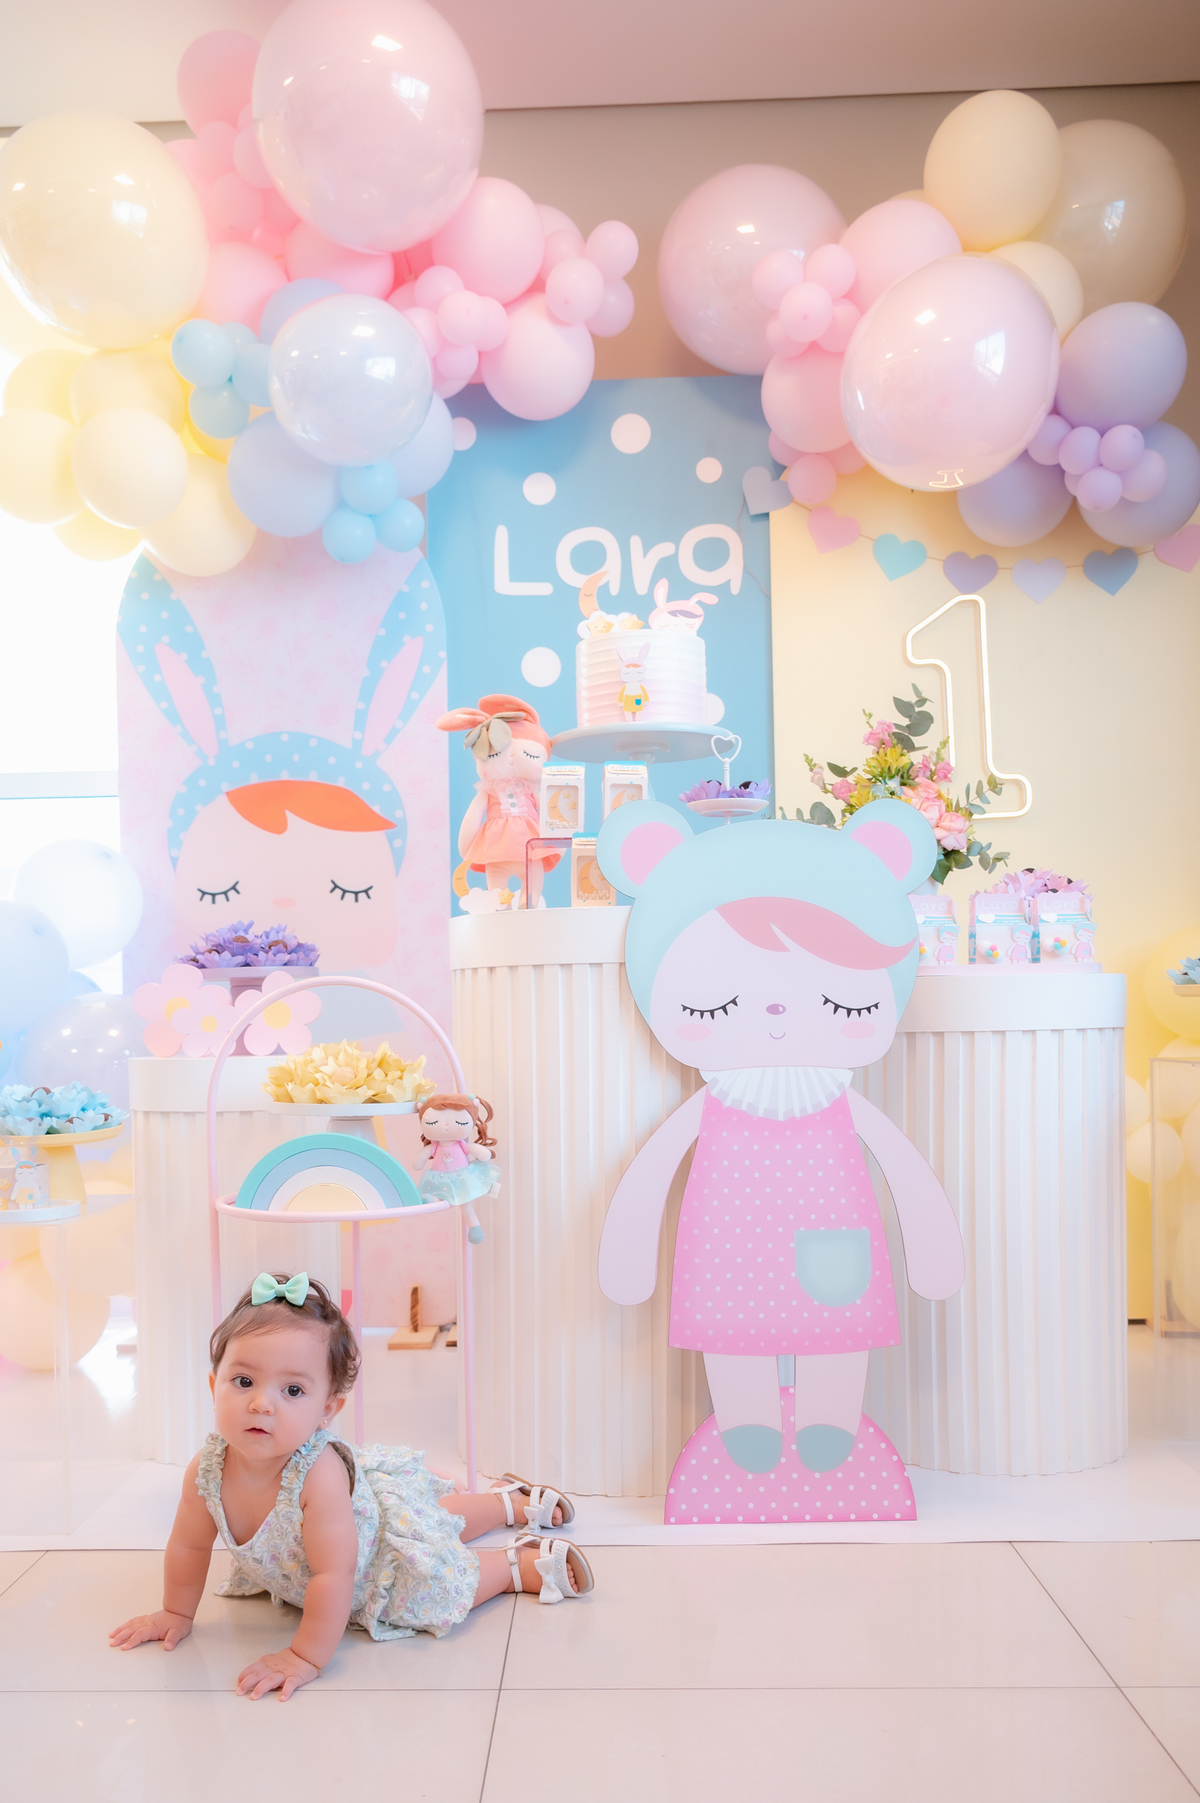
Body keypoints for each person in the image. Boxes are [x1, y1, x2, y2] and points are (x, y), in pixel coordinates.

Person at [109, 1273, 592, 1700]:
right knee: (433, 1521)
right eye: (243, 1381)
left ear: (327, 1410)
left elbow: (333, 1576)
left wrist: (305, 1655)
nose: (261, 1404)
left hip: (367, 1561)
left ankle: (513, 1562)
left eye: (292, 1390)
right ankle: (508, 1502)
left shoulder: (316, 1475)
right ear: (214, 1385)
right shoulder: (207, 1469)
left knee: (429, 1573)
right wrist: (175, 1612)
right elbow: (189, 1546)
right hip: (340, 1548)